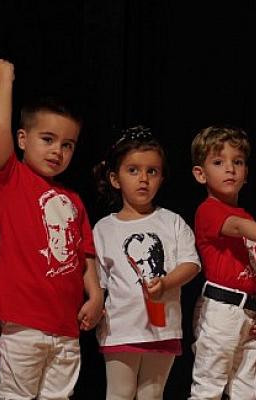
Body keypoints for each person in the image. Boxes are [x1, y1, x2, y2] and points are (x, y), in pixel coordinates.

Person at [0, 59, 104, 400]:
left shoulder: (74, 199)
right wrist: (5, 81)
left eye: (67, 145)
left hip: (66, 326)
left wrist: (95, 295)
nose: (57, 151)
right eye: (48, 139)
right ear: (23, 139)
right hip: (23, 324)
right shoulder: (11, 179)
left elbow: (85, 254)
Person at [92, 126, 201, 399]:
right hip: (120, 329)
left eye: (152, 171)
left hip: (163, 328)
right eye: (133, 170)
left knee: (152, 394)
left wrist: (166, 283)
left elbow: (191, 264)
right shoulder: (104, 228)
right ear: (115, 179)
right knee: (120, 393)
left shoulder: (172, 221)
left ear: (161, 178)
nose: (143, 179)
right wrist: (93, 306)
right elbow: (99, 281)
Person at [188, 125, 256, 400]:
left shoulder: (248, 217)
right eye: (219, 162)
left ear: (246, 173)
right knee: (209, 387)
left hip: (250, 311)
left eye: (238, 162)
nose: (230, 169)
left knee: (246, 389)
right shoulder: (209, 210)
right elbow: (235, 226)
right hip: (222, 310)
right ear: (200, 174)